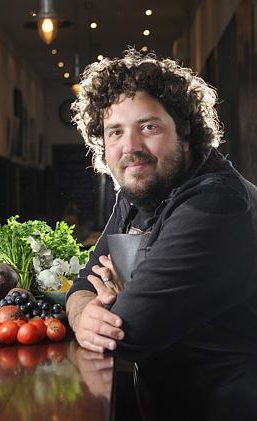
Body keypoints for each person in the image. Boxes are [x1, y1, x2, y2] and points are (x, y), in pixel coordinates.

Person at [65, 48, 257, 360]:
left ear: (185, 133)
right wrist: (81, 312)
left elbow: (131, 329)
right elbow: (83, 284)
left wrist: (111, 302)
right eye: (115, 132)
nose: (131, 147)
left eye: (148, 127)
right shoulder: (137, 191)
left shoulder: (218, 202)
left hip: (230, 404)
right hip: (170, 402)